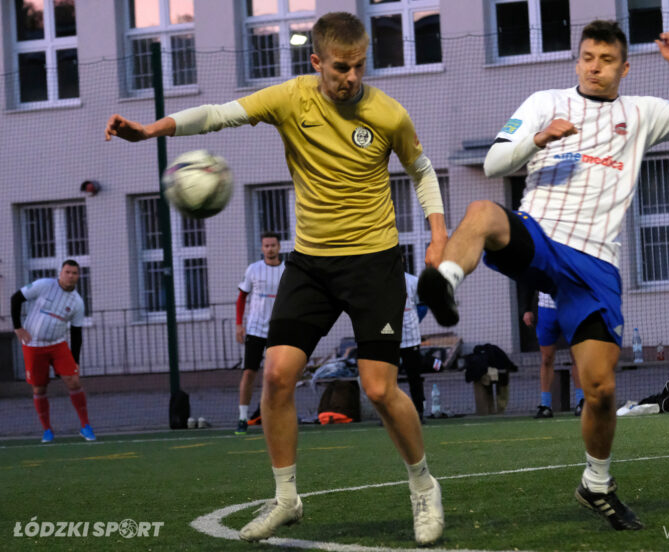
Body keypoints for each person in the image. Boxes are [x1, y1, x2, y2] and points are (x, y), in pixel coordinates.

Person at [105, 12, 447, 545]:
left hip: (373, 260)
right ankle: (287, 498)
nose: (351, 77)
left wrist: (438, 234)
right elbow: (218, 113)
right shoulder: (290, 98)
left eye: (359, 66)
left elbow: (421, 171)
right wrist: (151, 130)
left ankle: (424, 487)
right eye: (340, 67)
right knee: (276, 374)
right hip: (311, 262)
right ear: (316, 62)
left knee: (379, 388)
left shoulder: (387, 113)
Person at [417, 20, 669, 531]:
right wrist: (540, 138)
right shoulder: (546, 101)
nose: (595, 66)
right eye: (588, 56)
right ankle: (446, 283)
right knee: (481, 210)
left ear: (624, 68)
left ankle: (597, 484)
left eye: (606, 60)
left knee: (601, 389)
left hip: (594, 267)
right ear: (578, 59)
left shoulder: (643, 113)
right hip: (540, 236)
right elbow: (497, 162)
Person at [10, 260, 96, 443]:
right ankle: (47, 430)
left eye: (74, 273)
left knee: (73, 381)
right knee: (39, 388)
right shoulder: (44, 285)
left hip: (58, 345)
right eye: (67, 272)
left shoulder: (77, 302)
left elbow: (76, 333)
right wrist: (17, 327)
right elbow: (15, 298)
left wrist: (75, 361)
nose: (71, 276)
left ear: (78, 276)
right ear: (61, 273)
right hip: (33, 346)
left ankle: (85, 426)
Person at [234, 232, 285, 435]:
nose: (270, 249)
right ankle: (242, 418)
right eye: (266, 245)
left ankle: (273, 416)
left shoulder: (286, 270)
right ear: (262, 248)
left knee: (275, 376)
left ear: (279, 247)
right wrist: (239, 324)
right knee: (249, 373)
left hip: (278, 330)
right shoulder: (254, 269)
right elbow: (241, 298)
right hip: (255, 329)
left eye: (273, 245)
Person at [522, 292, 584, 418]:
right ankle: (545, 406)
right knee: (546, 359)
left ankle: (582, 402)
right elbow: (531, 278)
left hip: (572, 307)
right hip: (547, 310)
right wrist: (527, 309)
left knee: (577, 357)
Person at [401, 269, 427, 422]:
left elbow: (422, 306)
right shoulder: (380, 279)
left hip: (411, 338)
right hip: (389, 338)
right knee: (388, 379)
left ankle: (419, 412)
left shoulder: (413, 281)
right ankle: (389, 416)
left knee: (414, 377)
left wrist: (414, 322)